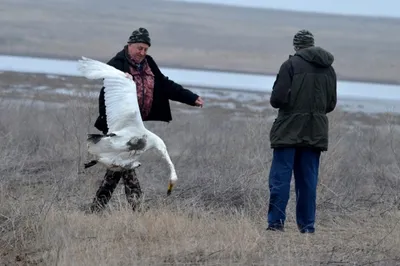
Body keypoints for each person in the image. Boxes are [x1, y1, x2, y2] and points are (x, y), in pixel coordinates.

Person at [88, 27, 204, 213]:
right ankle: (138, 210)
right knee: (124, 166)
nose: (142, 52)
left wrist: (190, 97)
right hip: (117, 128)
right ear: (130, 45)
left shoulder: (148, 63)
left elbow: (164, 84)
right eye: (139, 48)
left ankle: (96, 210)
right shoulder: (118, 64)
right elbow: (106, 96)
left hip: (136, 126)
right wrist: (111, 128)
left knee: (117, 169)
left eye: (145, 49)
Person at [266, 29, 337, 233]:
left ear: (296, 46)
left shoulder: (290, 65)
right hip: (315, 131)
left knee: (280, 180)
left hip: (288, 131)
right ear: (312, 44)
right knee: (308, 182)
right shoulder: (329, 69)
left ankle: (275, 225)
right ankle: (307, 227)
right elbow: (330, 104)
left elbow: (276, 100)